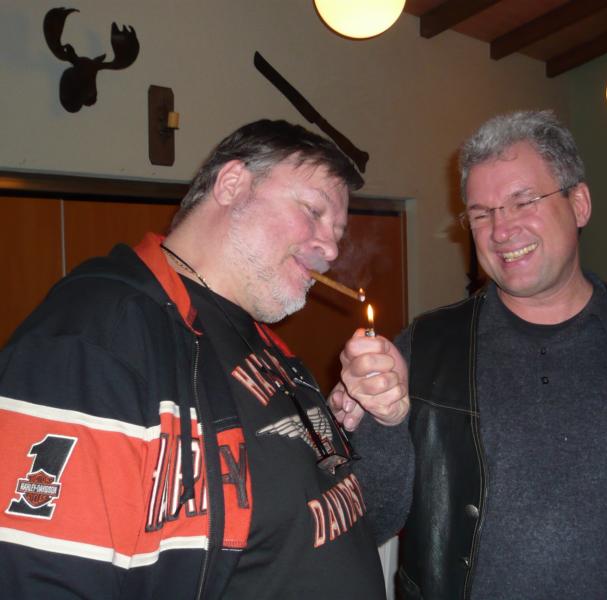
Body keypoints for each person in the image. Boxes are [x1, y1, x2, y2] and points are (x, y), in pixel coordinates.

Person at [332, 110, 607, 600]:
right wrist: (382, 420)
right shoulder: (423, 347)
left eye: (523, 202)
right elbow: (370, 522)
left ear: (579, 203)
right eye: (481, 213)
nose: (501, 230)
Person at [0, 119, 407, 598]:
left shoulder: (269, 347)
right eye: (313, 211)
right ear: (232, 184)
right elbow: (38, 577)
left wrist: (381, 421)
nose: (332, 248)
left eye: (338, 231)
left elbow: (356, 522)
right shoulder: (95, 338)